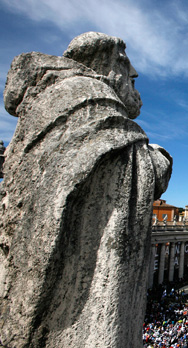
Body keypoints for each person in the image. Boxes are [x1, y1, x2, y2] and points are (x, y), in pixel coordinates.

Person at [0, 32, 172, 348]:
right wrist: (160, 156)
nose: (134, 74)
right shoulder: (88, 98)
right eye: (126, 64)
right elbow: (130, 167)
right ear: (107, 64)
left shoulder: (57, 99)